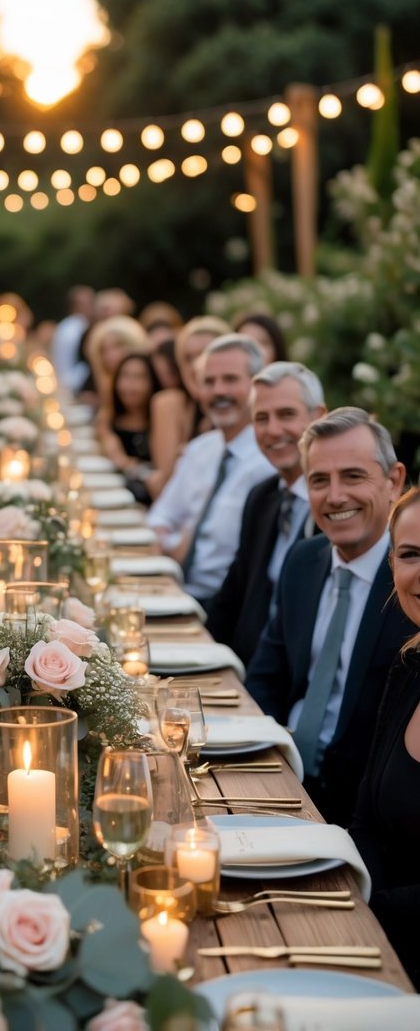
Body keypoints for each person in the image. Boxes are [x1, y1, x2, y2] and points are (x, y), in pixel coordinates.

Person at [246, 407, 412, 826]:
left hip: (360, 809)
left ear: (394, 481)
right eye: (319, 480)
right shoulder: (304, 560)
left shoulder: (412, 585)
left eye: (353, 476)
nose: (335, 496)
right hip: (281, 782)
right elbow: (265, 677)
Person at [205, 362, 327, 664]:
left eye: (286, 415)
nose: (273, 430)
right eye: (261, 418)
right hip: (243, 671)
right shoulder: (263, 497)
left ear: (319, 417)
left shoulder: (335, 507)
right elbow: (230, 599)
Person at [351, 487, 420, 988]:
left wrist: (362, 911)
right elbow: (367, 823)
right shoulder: (409, 666)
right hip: (373, 939)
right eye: (411, 555)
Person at [148, 334, 275, 605]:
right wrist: (172, 544)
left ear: (257, 386)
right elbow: (160, 515)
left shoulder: (269, 463)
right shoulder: (200, 450)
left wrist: (172, 544)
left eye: (230, 379)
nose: (218, 391)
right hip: (173, 590)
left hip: (222, 605)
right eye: (209, 382)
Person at [145, 315, 229, 498]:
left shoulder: (243, 412)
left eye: (204, 354)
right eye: (188, 358)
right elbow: (163, 489)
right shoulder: (170, 404)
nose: (195, 366)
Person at [99, 352, 155, 474]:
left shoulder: (158, 421)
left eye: (138, 377)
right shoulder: (110, 417)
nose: (129, 385)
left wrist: (125, 463)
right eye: (124, 376)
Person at [51, 285, 94, 393]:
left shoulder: (63, 326)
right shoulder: (79, 328)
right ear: (79, 305)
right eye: (90, 303)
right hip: (74, 386)